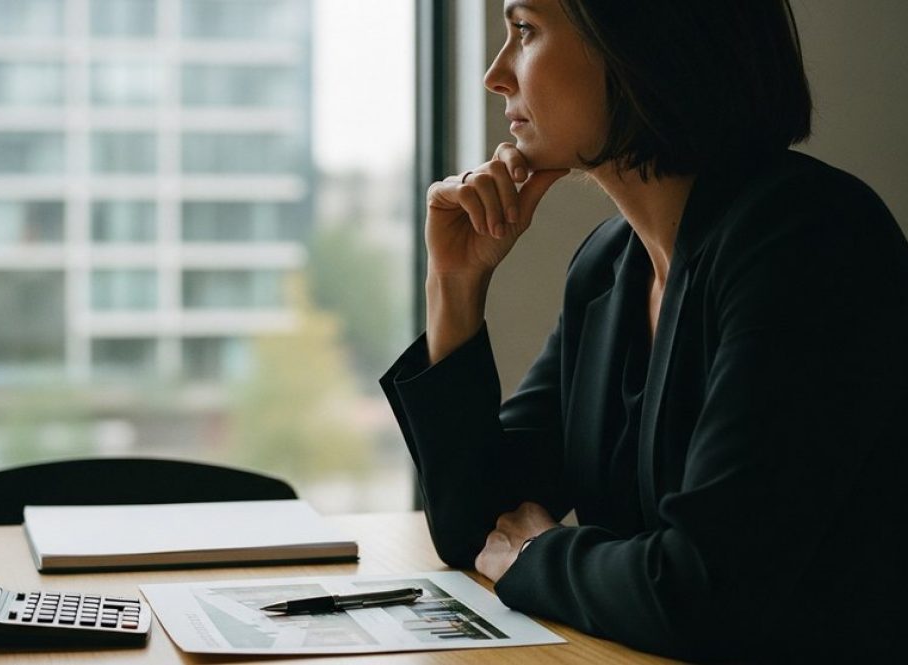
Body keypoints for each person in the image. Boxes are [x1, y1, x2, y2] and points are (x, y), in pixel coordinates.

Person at [380, 0, 908, 662]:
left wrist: (541, 552)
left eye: (525, 30)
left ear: (634, 43)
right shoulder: (610, 266)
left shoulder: (809, 243)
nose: (496, 74)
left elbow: (705, 592)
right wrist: (454, 286)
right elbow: (478, 529)